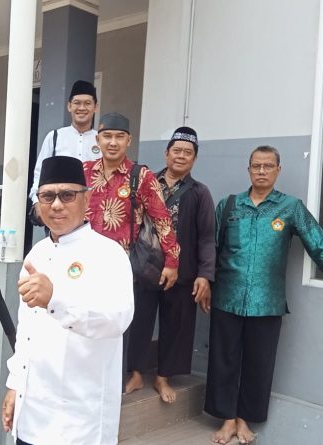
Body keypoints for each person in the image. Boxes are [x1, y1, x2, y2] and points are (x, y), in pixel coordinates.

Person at [205, 145, 323, 444]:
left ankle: (244, 419)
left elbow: (316, 240)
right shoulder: (229, 205)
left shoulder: (290, 207)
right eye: (256, 166)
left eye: (268, 166)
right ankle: (226, 419)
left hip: (267, 301)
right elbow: (211, 248)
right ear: (248, 169)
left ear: (278, 170)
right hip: (227, 296)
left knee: (259, 363)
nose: (261, 171)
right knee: (223, 360)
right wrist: (205, 282)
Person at [1, 156, 134, 444]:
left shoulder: (108, 254)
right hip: (31, 413)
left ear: (87, 199)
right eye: (48, 196)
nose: (57, 205)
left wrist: (55, 300)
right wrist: (14, 385)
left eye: (67, 195)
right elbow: (26, 333)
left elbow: (116, 320)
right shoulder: (36, 253)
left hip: (79, 421)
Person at [82, 112, 180, 394]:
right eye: (107, 136)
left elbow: (162, 220)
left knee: (118, 326)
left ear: (129, 140)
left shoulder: (141, 176)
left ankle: (115, 385)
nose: (112, 142)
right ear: (97, 139)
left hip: (122, 267)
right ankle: (87, 381)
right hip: (84, 264)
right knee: (85, 321)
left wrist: (172, 262)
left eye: (119, 137)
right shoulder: (84, 172)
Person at [127, 126, 215, 403]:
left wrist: (205, 274)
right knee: (138, 320)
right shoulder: (145, 183)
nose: (181, 156)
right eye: (176, 150)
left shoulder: (200, 193)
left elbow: (207, 237)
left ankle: (163, 377)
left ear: (194, 159)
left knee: (176, 325)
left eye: (188, 153)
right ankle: (136, 373)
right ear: (166, 154)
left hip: (182, 271)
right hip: (145, 266)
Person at [29, 80, 101, 220]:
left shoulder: (101, 140)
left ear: (95, 107)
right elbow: (39, 174)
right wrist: (36, 201)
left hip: (94, 213)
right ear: (69, 106)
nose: (82, 108)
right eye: (77, 103)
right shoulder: (55, 137)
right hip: (60, 211)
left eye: (87, 103)